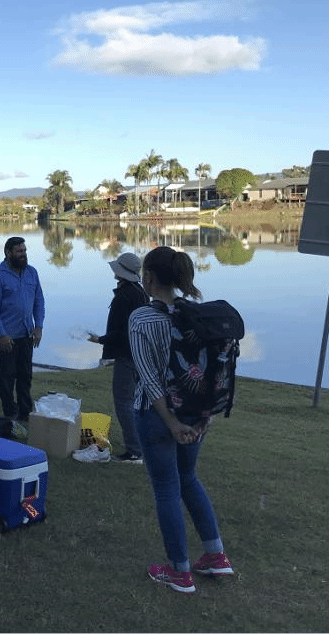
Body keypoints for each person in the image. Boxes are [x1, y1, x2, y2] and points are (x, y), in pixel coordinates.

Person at [128, 246, 234, 593]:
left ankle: (179, 571)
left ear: (149, 278)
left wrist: (171, 423)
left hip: (156, 416)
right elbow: (210, 370)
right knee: (188, 478)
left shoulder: (142, 319)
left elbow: (149, 378)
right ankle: (216, 556)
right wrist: (204, 416)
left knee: (166, 488)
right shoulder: (197, 315)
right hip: (194, 414)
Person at [87, 252, 149, 463]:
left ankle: (134, 452)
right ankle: (140, 445)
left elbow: (122, 331)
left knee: (123, 402)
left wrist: (100, 340)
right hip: (139, 353)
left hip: (127, 355)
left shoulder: (124, 296)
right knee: (136, 401)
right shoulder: (140, 293)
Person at [0, 236, 45, 434]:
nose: (23, 254)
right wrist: (1, 334)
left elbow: (39, 301)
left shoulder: (32, 272)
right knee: (6, 378)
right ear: (8, 253)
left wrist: (39, 327)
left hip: (26, 335)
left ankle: (25, 412)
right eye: (19, 251)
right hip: (6, 338)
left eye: (24, 250)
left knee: (25, 375)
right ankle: (10, 413)